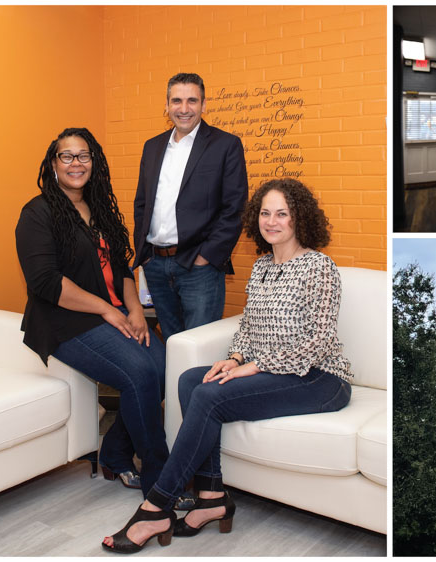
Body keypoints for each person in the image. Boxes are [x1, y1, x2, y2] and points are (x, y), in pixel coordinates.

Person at [102, 179, 353, 553]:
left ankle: (156, 506)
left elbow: (315, 342)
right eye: (265, 213)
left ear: (299, 218)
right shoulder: (262, 267)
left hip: (319, 378)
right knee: (191, 379)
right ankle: (211, 495)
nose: (272, 221)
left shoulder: (318, 267)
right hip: (274, 370)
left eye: (282, 213)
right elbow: (248, 328)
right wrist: (234, 358)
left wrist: (252, 367)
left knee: (207, 396)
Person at [15, 128, 168, 498]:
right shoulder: (37, 213)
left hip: (110, 313)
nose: (75, 163)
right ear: (53, 164)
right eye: (66, 156)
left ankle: (114, 454)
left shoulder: (99, 208)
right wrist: (108, 310)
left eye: (83, 156)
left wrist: (132, 309)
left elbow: (121, 267)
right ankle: (161, 481)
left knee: (163, 366)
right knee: (140, 372)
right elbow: (46, 283)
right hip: (64, 321)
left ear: (94, 162)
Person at [133, 72, 248, 340]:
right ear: (167, 105)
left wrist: (205, 257)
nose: (184, 109)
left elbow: (235, 208)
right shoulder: (152, 147)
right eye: (177, 101)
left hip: (199, 267)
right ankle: (175, 385)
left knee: (198, 348)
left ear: (204, 105)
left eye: (192, 101)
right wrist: (146, 255)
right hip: (156, 265)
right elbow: (142, 203)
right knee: (173, 343)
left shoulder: (225, 145)